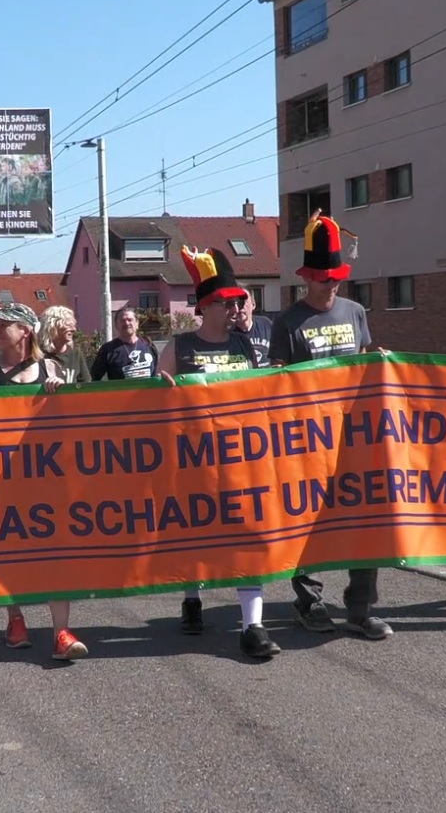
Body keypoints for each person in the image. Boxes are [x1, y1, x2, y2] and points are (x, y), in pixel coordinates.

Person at [269, 212, 393, 640]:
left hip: (355, 440)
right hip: (307, 443)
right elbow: (277, 382)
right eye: (324, 279)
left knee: (365, 524)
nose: (332, 284)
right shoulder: (287, 322)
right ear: (307, 279)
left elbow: (366, 360)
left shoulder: (355, 311)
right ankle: (310, 601)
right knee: (310, 525)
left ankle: (360, 609)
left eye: (336, 277)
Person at [156, 246, 281, 659]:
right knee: (195, 534)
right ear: (207, 306)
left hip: (241, 461)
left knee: (248, 536)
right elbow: (153, 401)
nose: (235, 309)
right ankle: (192, 598)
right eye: (227, 303)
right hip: (192, 460)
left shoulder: (246, 348)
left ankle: (253, 625)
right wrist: (161, 390)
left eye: (236, 303)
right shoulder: (180, 347)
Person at [0, 302, 86, 661]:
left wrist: (61, 395)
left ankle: (61, 633)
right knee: (10, 554)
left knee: (58, 555)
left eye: (2, 324)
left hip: (47, 479)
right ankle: (16, 619)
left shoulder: (51, 368)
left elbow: (72, 423)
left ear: (25, 330)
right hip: (2, 482)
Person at [90, 306, 158, 380]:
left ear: (137, 323)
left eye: (130, 320)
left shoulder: (149, 346)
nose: (126, 323)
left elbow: (156, 375)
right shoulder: (107, 349)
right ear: (116, 325)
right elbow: (93, 379)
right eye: (122, 320)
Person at [39, 306, 88, 384]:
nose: (74, 329)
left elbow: (86, 386)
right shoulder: (38, 354)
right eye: (68, 325)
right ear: (53, 327)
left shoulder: (75, 353)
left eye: (73, 326)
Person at [230, 288, 273, 366]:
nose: (240, 306)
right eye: (235, 302)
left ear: (253, 304)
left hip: (268, 377)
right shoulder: (228, 333)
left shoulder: (266, 324)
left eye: (244, 301)